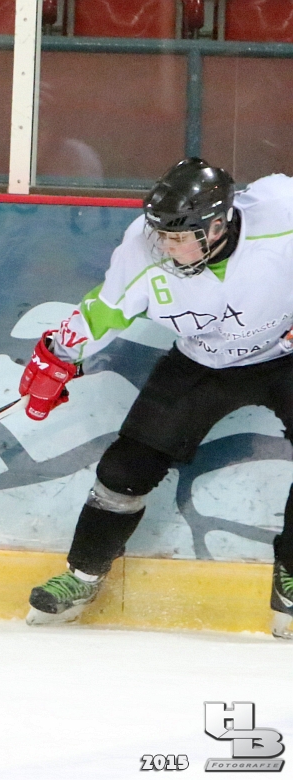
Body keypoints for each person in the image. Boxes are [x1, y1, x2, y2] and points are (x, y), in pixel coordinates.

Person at [19, 157, 293, 639]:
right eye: (162, 233)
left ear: (218, 224)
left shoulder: (280, 212)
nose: (166, 245)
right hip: (201, 364)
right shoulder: (143, 246)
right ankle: (83, 575)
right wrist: (59, 356)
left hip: (285, 355)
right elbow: (106, 308)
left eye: (180, 236)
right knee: (125, 469)